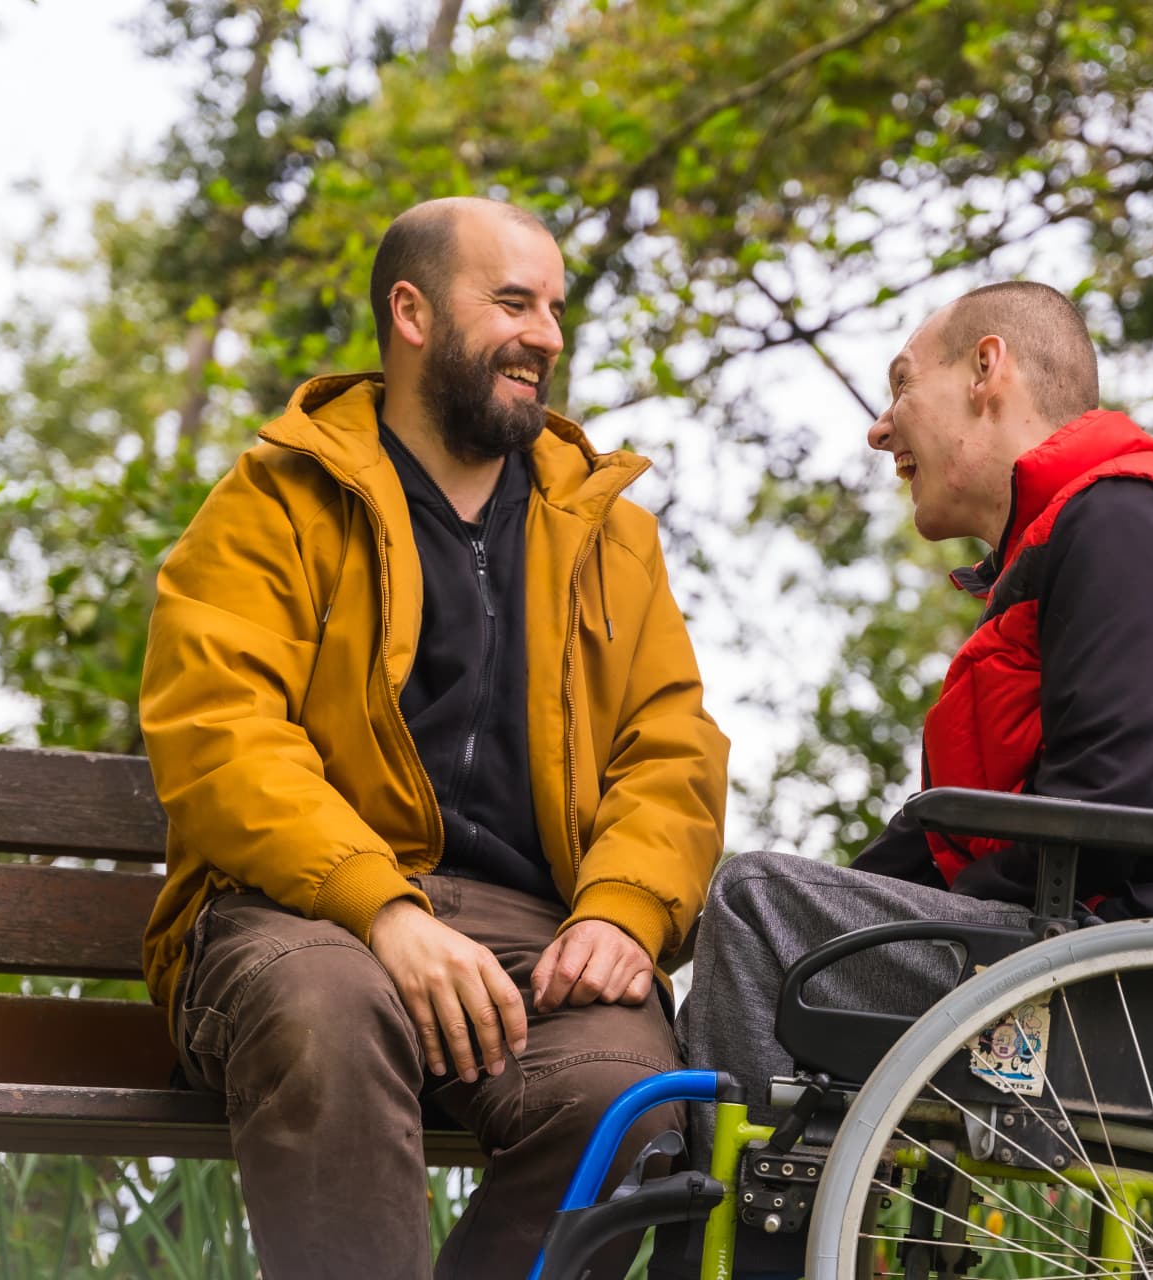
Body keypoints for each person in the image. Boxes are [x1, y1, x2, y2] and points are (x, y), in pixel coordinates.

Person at [655, 281, 1153, 1278]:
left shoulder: (1131, 521)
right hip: (1101, 959)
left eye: (901, 386)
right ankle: (793, 1230)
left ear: (987, 368)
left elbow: (1107, 805)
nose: (880, 431)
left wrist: (878, 920)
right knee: (777, 910)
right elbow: (949, 837)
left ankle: (739, 1253)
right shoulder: (1077, 539)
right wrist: (869, 908)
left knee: (753, 902)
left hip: (1144, 991)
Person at [139, 196, 730, 1280]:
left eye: (554, 307)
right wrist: (386, 910)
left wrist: (624, 908)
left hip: (532, 936)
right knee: (329, 1008)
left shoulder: (610, 529)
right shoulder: (274, 499)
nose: (546, 334)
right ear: (410, 312)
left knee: (630, 1104)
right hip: (300, 913)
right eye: (513, 302)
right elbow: (222, 734)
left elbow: (671, 746)